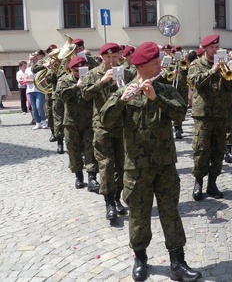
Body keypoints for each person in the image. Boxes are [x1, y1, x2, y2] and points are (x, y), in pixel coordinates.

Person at [100, 41, 201, 282]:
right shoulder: (123, 91)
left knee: (170, 213)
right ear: (142, 65)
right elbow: (105, 120)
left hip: (165, 165)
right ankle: (140, 259)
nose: (159, 66)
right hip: (136, 168)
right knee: (138, 215)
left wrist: (156, 98)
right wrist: (121, 101)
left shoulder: (164, 89)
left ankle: (178, 262)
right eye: (155, 63)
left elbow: (180, 114)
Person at [81, 43, 134, 221]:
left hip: (122, 126)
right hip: (102, 126)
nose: (112, 61)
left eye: (114, 57)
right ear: (102, 57)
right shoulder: (93, 74)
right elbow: (85, 95)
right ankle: (109, 202)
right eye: (108, 58)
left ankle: (118, 198)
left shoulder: (126, 73)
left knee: (121, 165)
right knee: (106, 165)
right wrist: (102, 81)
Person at [188, 34, 232, 201]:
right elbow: (195, 82)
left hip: (222, 113)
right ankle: (198, 182)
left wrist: (231, 73)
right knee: (201, 150)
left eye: (217, 47)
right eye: (212, 47)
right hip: (203, 114)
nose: (216, 50)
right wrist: (213, 71)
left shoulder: (226, 64)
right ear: (205, 49)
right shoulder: (197, 64)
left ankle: (212, 183)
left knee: (218, 150)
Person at [55, 56, 99, 191]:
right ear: (71, 70)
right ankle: (79, 177)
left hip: (89, 121)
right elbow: (61, 96)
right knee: (74, 151)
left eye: (82, 69)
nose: (79, 73)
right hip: (71, 122)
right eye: (76, 70)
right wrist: (76, 86)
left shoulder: (91, 79)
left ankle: (92, 178)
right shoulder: (64, 80)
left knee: (90, 149)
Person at [24, 53, 48, 130]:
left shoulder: (41, 68)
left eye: (34, 59)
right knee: (34, 108)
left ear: (37, 59)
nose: (32, 60)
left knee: (39, 106)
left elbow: (44, 79)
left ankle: (44, 121)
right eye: (31, 59)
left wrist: (33, 81)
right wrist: (35, 80)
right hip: (30, 91)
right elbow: (25, 80)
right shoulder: (27, 69)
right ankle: (38, 123)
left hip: (39, 90)